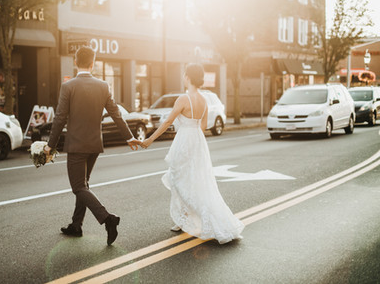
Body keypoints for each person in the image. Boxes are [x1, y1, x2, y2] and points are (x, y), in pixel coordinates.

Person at [44, 46, 141, 246]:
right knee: (84, 185)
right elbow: (116, 113)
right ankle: (76, 225)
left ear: (75, 62)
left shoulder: (68, 86)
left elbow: (60, 118)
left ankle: (107, 218)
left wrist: (49, 146)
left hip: (77, 146)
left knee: (78, 187)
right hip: (95, 145)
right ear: (92, 63)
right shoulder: (103, 86)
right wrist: (128, 137)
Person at [141, 63, 244, 244]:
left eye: (184, 75)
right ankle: (183, 219)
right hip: (197, 140)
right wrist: (191, 127)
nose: (183, 77)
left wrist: (150, 139)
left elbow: (167, 123)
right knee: (194, 179)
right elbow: (203, 126)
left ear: (188, 77)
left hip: (185, 141)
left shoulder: (183, 99)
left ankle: (187, 218)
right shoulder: (204, 100)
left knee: (178, 178)